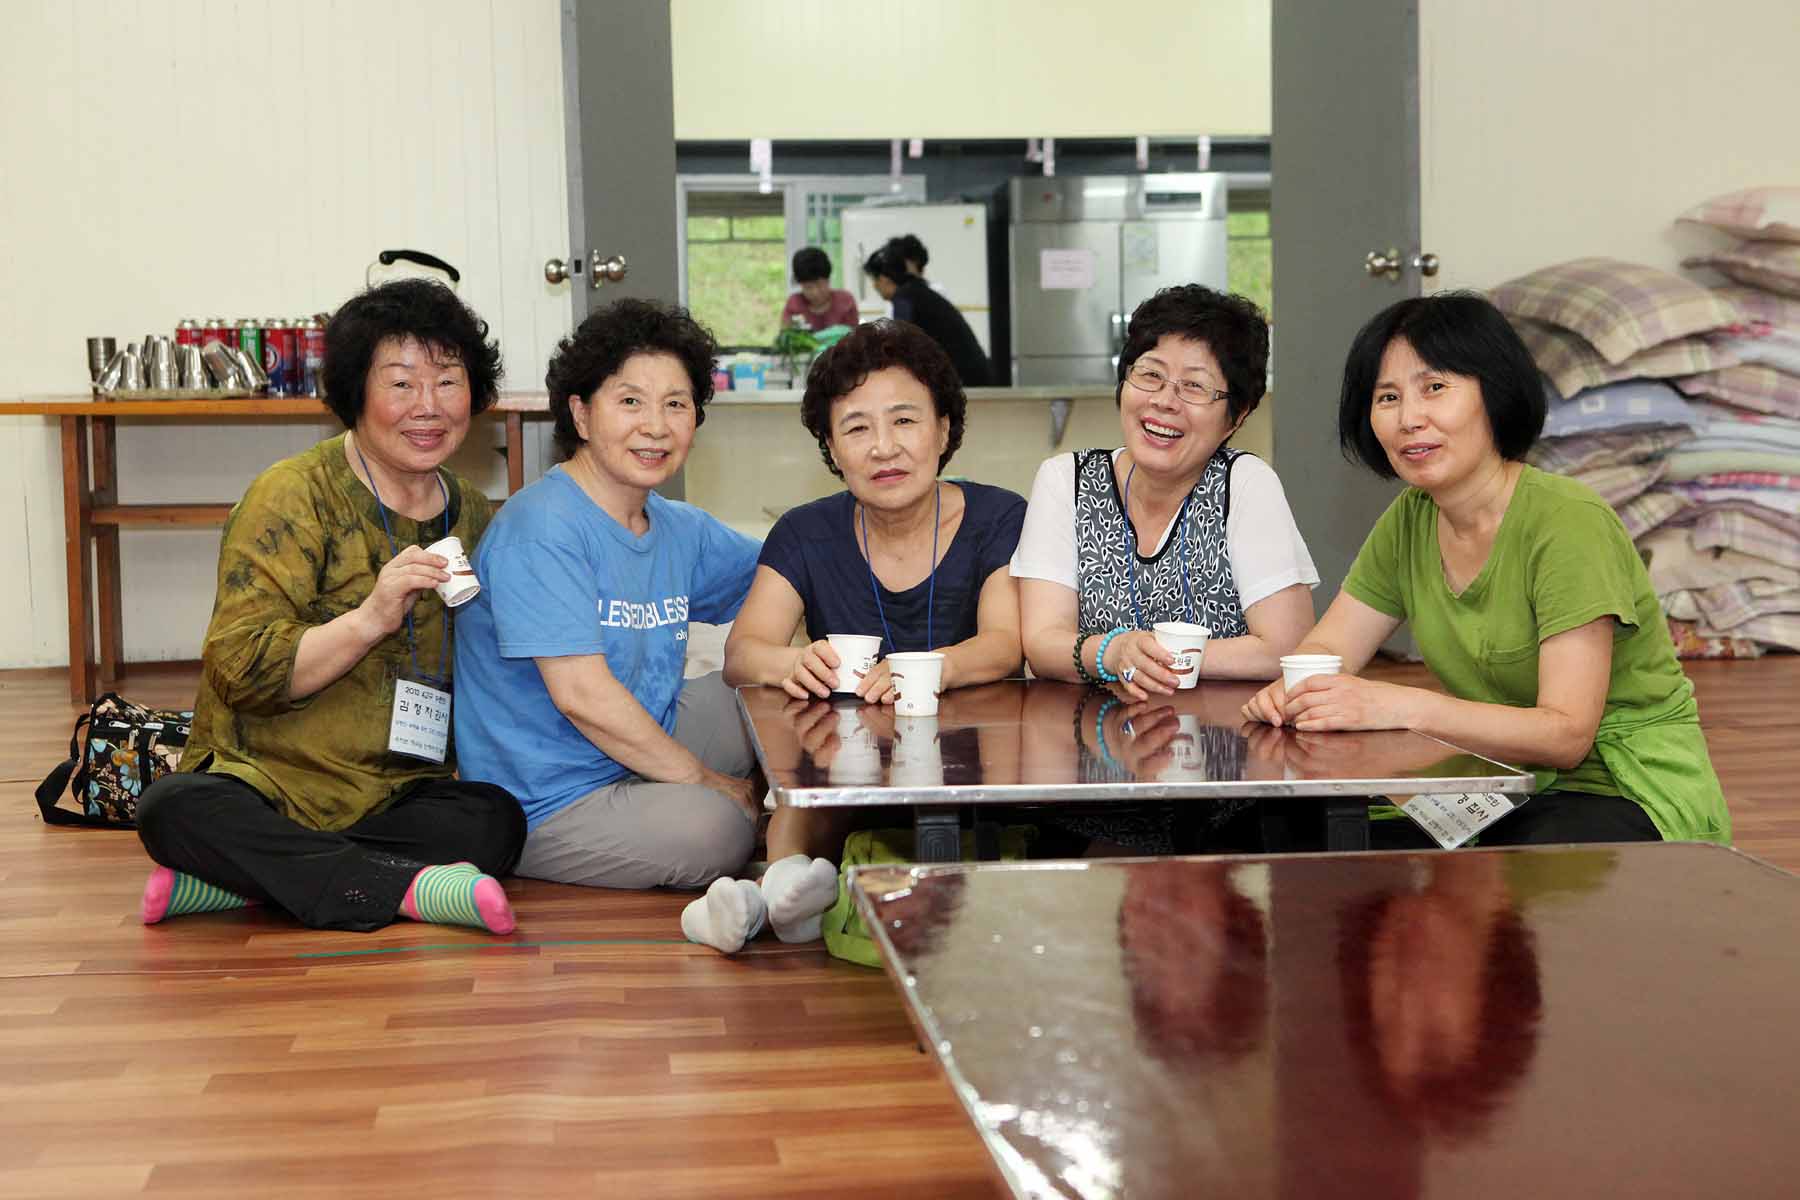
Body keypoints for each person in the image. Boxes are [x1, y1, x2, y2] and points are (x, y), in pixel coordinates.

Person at [1242, 291, 1730, 846]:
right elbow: (1329, 649)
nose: (1409, 419)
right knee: (1297, 825)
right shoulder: (1410, 518)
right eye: (1387, 397)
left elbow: (1566, 736)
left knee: (1510, 866)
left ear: (1494, 392)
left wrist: (1396, 704)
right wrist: (1293, 690)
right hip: (1499, 782)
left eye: (1434, 388)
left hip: (1623, 788)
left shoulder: (1568, 521)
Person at [134, 279, 526, 934]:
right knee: (173, 809)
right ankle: (406, 888)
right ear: (354, 393)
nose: (428, 407)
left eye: (447, 381)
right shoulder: (292, 495)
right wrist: (370, 618)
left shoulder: (472, 512)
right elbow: (242, 671)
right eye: (401, 384)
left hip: (396, 791)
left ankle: (248, 881)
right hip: (265, 781)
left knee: (497, 820)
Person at [451, 299, 780, 951]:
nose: (655, 426)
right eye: (630, 402)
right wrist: (711, 783)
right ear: (580, 414)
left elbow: (787, 572)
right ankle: (727, 821)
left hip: (639, 741)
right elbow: (583, 697)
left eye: (676, 404)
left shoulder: (676, 526)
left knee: (762, 691)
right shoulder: (541, 530)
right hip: (548, 798)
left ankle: (738, 815)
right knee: (717, 830)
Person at [719, 319, 1026, 951]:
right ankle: (778, 896)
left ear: (944, 429)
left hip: (977, 765)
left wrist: (933, 666)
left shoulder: (1000, 517)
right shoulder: (805, 532)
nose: (884, 448)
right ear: (832, 449)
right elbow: (742, 652)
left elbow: (1005, 642)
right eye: (857, 428)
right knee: (804, 800)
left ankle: (771, 905)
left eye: (905, 420)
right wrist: (791, 663)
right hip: (847, 768)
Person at [1012, 284, 1318, 853]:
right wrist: (1112, 653)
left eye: (1195, 387)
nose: (1164, 402)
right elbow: (1042, 642)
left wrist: (1154, 658)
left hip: (1228, 782)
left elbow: (1287, 646)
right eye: (1149, 375)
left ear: (1236, 416)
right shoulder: (1065, 481)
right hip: (1089, 775)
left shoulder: (1245, 485)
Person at [864, 245, 990, 386]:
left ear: (884, 279)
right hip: (974, 375)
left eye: (874, 280)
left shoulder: (904, 297)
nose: (874, 286)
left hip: (967, 383)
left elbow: (899, 345)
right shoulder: (918, 291)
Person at [779, 246, 859, 332]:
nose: (815, 292)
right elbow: (786, 334)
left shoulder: (845, 302)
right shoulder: (795, 304)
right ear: (800, 284)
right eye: (808, 287)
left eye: (820, 285)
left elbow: (855, 335)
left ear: (828, 279)